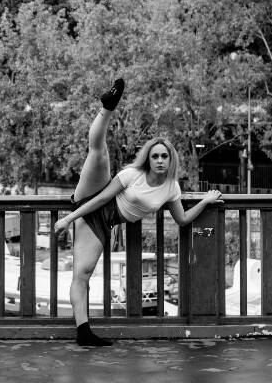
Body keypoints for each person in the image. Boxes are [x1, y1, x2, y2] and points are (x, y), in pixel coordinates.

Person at [53, 78, 222, 347]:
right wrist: (68, 219)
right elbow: (102, 199)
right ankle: (107, 108)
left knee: (82, 274)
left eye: (163, 156)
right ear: (148, 158)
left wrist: (205, 201)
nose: (159, 160)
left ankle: (83, 333)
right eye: (154, 156)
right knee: (99, 154)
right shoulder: (132, 174)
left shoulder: (171, 188)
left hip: (103, 223)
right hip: (90, 200)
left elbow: (182, 220)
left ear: (170, 160)